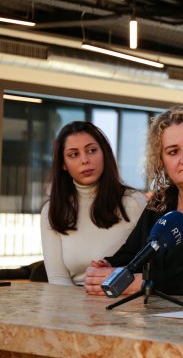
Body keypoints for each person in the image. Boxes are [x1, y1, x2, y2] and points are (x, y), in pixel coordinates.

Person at [84, 106, 183, 296]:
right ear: (161, 162)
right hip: (152, 311)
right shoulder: (161, 200)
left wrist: (144, 283)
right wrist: (107, 267)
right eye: (173, 152)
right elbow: (132, 253)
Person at [41, 121, 147, 286]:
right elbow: (57, 278)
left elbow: (150, 267)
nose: (85, 160)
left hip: (124, 298)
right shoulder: (52, 211)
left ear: (104, 153)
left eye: (91, 150)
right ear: (63, 164)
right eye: (73, 154)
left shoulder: (135, 202)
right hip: (69, 299)